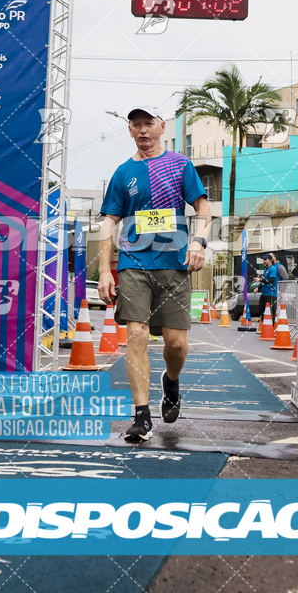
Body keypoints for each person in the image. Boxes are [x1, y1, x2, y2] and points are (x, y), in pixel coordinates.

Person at [98, 106, 211, 441]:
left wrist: (199, 241)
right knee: (136, 335)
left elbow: (202, 206)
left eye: (149, 124)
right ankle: (141, 416)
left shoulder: (180, 164)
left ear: (162, 127)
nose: (143, 130)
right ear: (130, 131)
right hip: (134, 263)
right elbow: (109, 222)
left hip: (174, 264)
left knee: (176, 343)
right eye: (136, 125)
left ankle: (171, 382)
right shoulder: (123, 173)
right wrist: (106, 271)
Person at [254, 252, 288, 323]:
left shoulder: (274, 268)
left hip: (271, 293)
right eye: (263, 260)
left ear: (270, 260)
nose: (264, 261)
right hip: (264, 292)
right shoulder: (266, 269)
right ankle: (266, 328)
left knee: (271, 312)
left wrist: (282, 290)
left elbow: (271, 280)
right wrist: (258, 287)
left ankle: (272, 329)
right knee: (261, 311)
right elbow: (264, 279)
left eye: (265, 259)